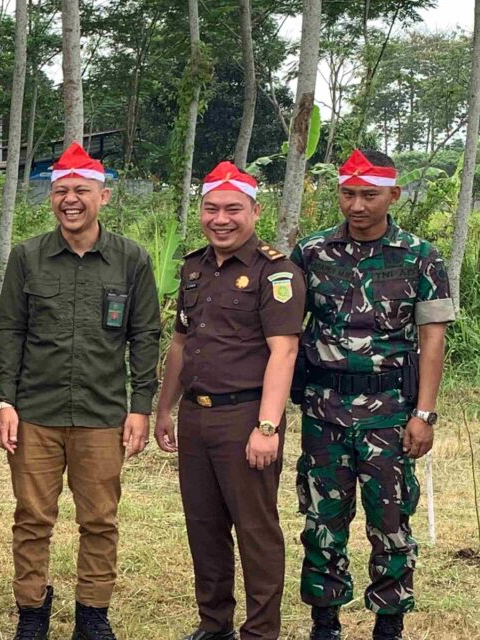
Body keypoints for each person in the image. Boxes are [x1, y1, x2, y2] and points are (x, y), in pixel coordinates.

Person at [0, 142, 160, 640]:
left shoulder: (131, 259)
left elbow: (144, 334)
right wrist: (5, 401)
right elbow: (11, 332)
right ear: (51, 197)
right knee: (32, 518)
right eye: (61, 190)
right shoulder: (27, 257)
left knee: (100, 520)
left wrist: (141, 408)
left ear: (103, 197)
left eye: (81, 191)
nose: (70, 199)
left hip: (102, 411)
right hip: (36, 412)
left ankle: (93, 612)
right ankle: (31, 612)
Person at [292, 149, 455, 640]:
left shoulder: (421, 256)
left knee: (390, 521)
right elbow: (284, 330)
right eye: (348, 193)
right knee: (323, 519)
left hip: (390, 413)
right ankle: (325, 622)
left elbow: (433, 340)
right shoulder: (312, 252)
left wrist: (424, 414)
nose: (357, 205)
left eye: (369, 195)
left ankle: (389, 623)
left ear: (393, 195)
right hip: (324, 410)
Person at [154, 162, 305, 640]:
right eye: (211, 208)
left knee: (255, 532)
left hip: (246, 416)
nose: (221, 218)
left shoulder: (276, 272)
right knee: (204, 526)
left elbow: (285, 351)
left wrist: (267, 428)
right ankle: (213, 623)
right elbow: (180, 343)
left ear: (255, 211)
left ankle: (260, 631)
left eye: (233, 209)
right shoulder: (194, 266)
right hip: (197, 417)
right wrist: (165, 408)